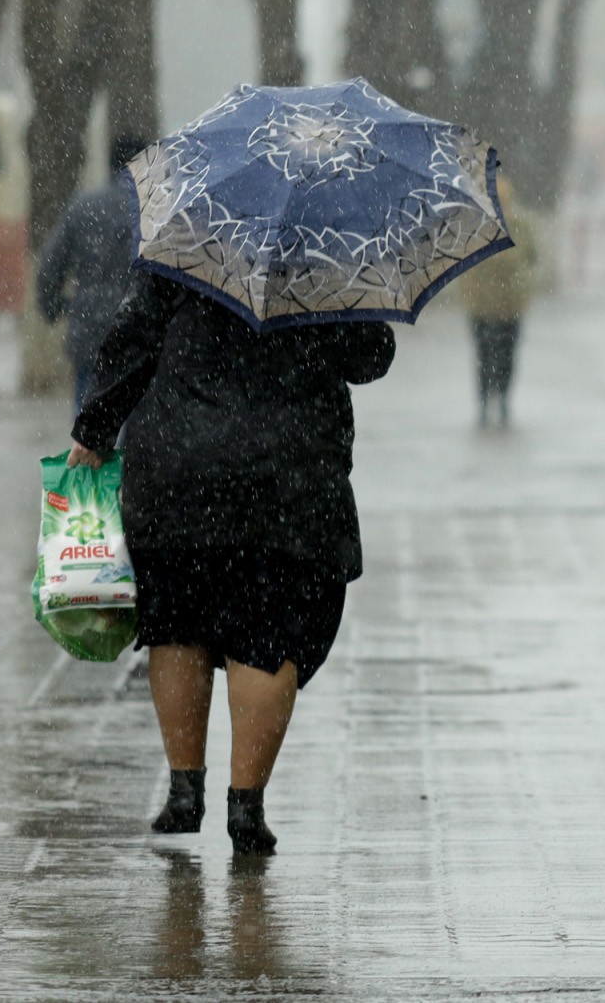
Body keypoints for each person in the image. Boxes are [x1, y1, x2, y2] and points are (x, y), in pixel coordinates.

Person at [67, 272, 395, 855]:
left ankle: (183, 790)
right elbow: (370, 357)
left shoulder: (185, 240)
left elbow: (132, 335)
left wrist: (94, 429)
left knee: (177, 624)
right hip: (288, 477)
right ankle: (246, 805)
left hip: (180, 466)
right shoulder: (328, 255)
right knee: (268, 637)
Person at [37, 137, 144, 411]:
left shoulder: (84, 207)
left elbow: (50, 265)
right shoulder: (155, 212)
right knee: (137, 414)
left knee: (87, 411)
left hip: (90, 329)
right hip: (139, 331)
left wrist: (54, 306)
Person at [452, 179, 537, 427]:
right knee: (499, 356)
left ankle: (491, 402)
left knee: (489, 356)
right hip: (502, 305)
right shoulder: (515, 226)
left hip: (492, 306)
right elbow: (530, 258)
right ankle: (496, 401)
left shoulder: (477, 225)